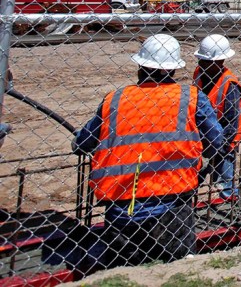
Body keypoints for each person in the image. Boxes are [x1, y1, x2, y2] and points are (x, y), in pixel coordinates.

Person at [67, 34, 224, 272]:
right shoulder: (190, 97)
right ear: (173, 69)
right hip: (173, 201)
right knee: (179, 268)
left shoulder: (116, 99)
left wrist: (78, 140)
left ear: (140, 66)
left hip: (122, 204)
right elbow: (216, 140)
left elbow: (84, 142)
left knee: (125, 269)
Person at [193, 34, 241, 199]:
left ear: (220, 62)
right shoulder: (199, 73)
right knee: (195, 178)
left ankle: (228, 205)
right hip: (201, 136)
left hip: (224, 138)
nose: (201, 63)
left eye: (206, 61)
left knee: (224, 179)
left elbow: (231, 121)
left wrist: (221, 146)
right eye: (201, 60)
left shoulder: (230, 85)